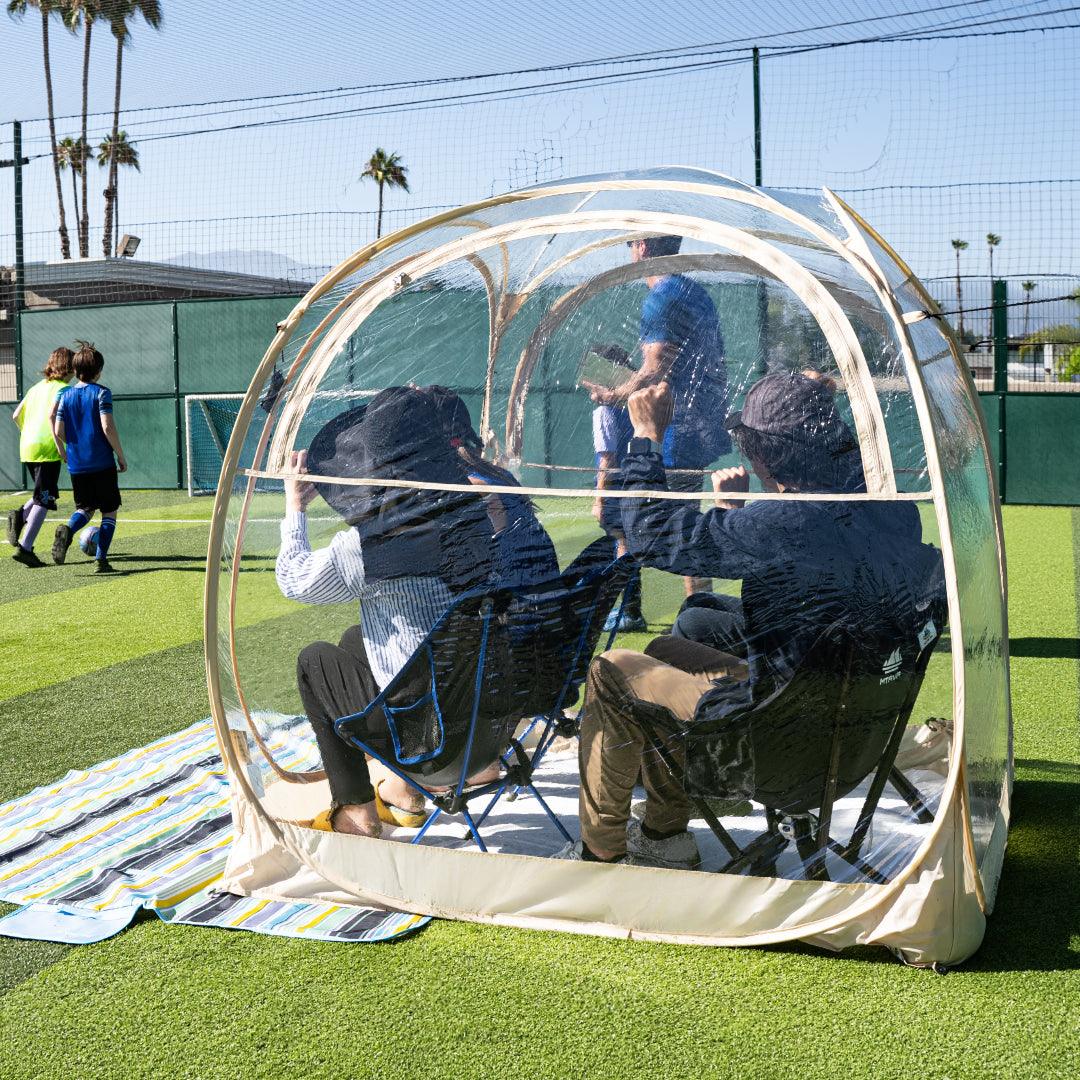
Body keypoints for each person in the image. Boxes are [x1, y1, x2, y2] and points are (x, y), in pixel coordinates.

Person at [557, 372, 942, 868]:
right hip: (857, 737)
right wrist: (733, 515)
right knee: (666, 650)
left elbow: (648, 534)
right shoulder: (891, 512)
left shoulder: (782, 522)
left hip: (779, 750)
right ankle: (662, 833)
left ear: (762, 456)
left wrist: (646, 437)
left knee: (611, 670)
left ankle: (599, 851)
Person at [279, 386, 498, 838]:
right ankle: (403, 790)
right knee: (353, 641)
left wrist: (294, 507)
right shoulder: (479, 514)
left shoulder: (372, 545)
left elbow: (294, 579)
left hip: (432, 738)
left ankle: (356, 811)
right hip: (486, 721)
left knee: (314, 660)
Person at [581, 234, 731, 599]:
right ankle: (700, 607)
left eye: (630, 242)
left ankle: (661, 610)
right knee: (688, 529)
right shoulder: (695, 293)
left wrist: (614, 395)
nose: (630, 251)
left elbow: (656, 366)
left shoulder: (661, 295)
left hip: (672, 433)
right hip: (698, 428)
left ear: (644, 246)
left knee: (634, 524)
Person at [422, 384, 559, 589]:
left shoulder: (473, 486)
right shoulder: (499, 474)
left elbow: (495, 567)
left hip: (521, 608)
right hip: (547, 600)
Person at [51, 342, 127, 573]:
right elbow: (107, 427)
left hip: (77, 465)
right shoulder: (102, 393)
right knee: (109, 511)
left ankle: (68, 529)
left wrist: (73, 446)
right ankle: (101, 560)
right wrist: (120, 455)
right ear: (99, 371)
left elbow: (58, 430)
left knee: (85, 508)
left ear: (75, 371)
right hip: (102, 463)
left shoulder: (66, 396)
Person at [586, 347, 646, 634]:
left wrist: (599, 499)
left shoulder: (605, 411)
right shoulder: (634, 404)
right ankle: (629, 609)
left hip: (618, 489)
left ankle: (630, 611)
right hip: (634, 482)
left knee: (623, 547)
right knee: (626, 546)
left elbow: (607, 459)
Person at [7, 347, 73, 567]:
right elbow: (55, 418)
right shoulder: (64, 389)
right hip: (47, 449)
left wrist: (28, 433)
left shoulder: (36, 387)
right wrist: (62, 448)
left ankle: (20, 516)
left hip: (27, 446)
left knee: (43, 493)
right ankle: (25, 548)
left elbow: (15, 415)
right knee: (44, 500)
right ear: (68, 367)